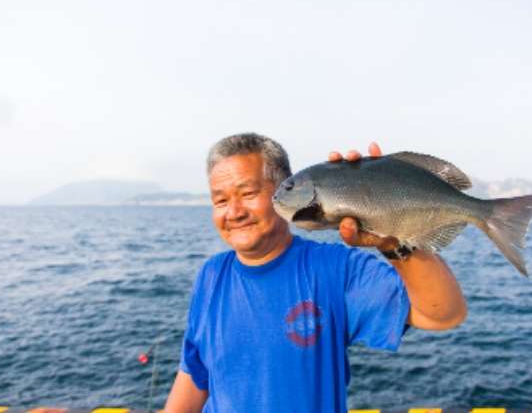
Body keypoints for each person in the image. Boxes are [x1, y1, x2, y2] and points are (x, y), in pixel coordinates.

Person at [164, 133, 467, 413]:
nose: (234, 212)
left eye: (248, 193)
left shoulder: (334, 268)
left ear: (281, 188)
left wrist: (393, 239)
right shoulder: (211, 274)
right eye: (220, 200)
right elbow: (195, 375)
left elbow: (442, 314)